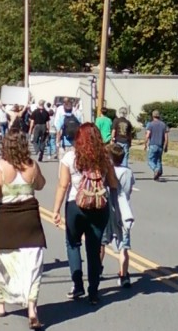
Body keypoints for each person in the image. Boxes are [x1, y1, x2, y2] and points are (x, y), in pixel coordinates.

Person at [0, 130, 46, 329]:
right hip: (30, 220)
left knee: (1, 264)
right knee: (32, 265)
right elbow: (41, 185)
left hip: (5, 220)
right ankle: (32, 309)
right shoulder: (32, 165)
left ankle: (1, 304)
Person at [52, 122, 119, 305]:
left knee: (73, 244)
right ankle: (94, 292)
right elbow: (113, 184)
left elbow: (63, 185)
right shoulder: (105, 157)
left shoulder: (70, 157)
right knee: (94, 247)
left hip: (76, 205)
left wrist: (56, 210)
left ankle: (77, 285)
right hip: (99, 206)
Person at [105, 143, 135, 288]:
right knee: (124, 245)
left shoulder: (108, 172)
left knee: (102, 242)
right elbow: (130, 189)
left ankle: (97, 270)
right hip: (124, 211)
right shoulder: (128, 172)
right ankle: (124, 275)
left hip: (109, 210)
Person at [144, 109, 169, 181]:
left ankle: (156, 169)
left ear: (153, 116)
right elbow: (166, 137)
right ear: (159, 116)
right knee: (158, 160)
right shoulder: (163, 124)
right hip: (160, 145)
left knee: (150, 160)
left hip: (153, 145)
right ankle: (159, 173)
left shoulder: (150, 124)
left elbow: (147, 135)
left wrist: (145, 144)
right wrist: (166, 146)